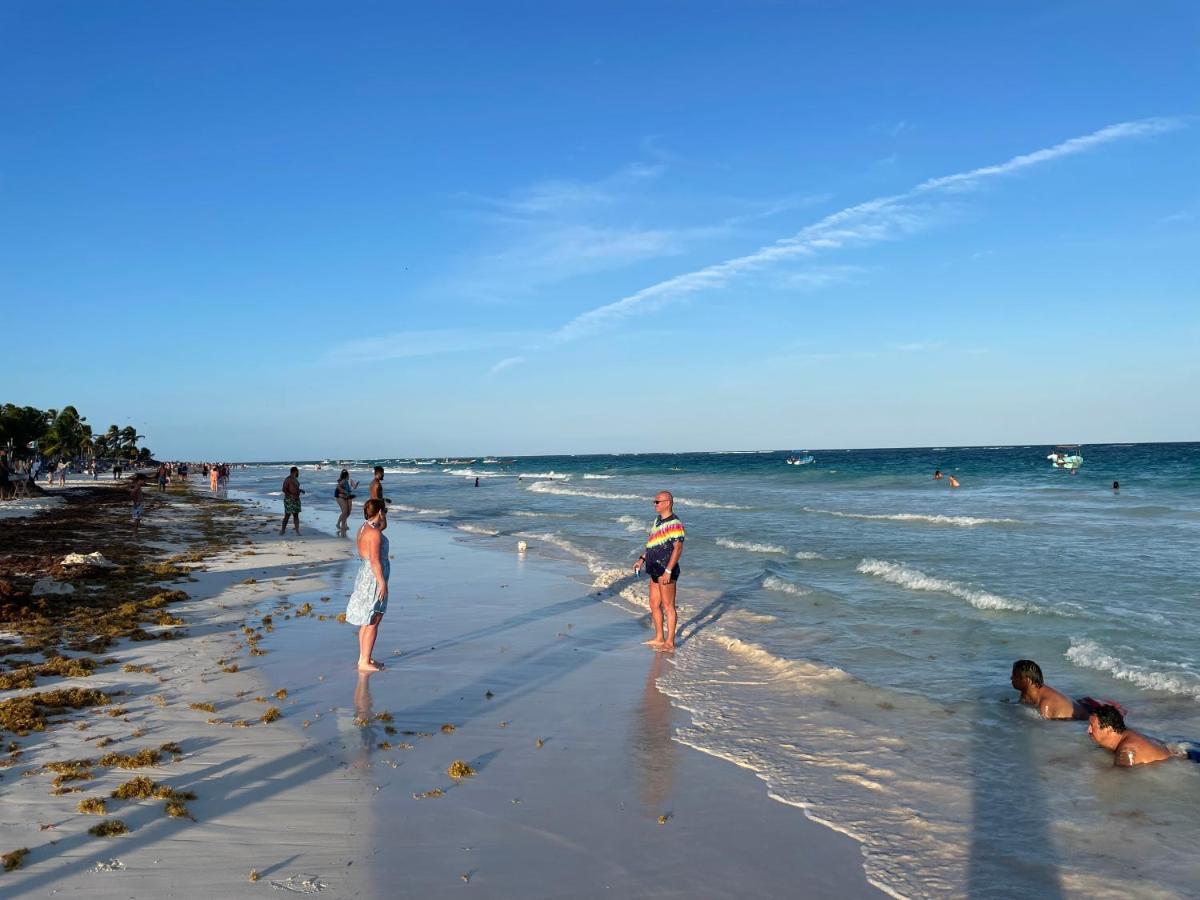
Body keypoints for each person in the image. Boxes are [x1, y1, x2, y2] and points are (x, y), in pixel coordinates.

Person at [632, 491, 685, 651]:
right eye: (654, 502)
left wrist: (668, 570)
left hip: (666, 569)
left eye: (657, 502)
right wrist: (641, 559)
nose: (654, 504)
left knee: (668, 606)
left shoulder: (675, 523)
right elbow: (652, 544)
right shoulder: (657, 521)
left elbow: (678, 548)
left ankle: (670, 643)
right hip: (654, 567)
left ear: (667, 503)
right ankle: (659, 637)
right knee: (654, 604)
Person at [345, 498, 390, 671]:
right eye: (384, 511)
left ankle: (364, 658)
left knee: (367, 618)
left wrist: (382, 515)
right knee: (374, 618)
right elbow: (375, 561)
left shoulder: (365, 528)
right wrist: (382, 583)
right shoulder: (374, 534)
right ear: (379, 512)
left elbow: (382, 527)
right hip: (373, 577)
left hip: (365, 575)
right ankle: (364, 661)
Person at [1010, 659, 1122, 720]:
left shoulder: (1046, 705)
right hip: (1082, 704)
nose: (1011, 678)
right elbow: (1021, 704)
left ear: (1028, 680)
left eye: (1014, 676)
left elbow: (1048, 731)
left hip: (1089, 714)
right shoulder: (1026, 693)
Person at [1087, 704, 1171, 767]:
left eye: (1092, 726)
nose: (1088, 730)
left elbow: (1124, 780)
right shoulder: (1125, 733)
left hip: (1171, 762)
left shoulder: (1126, 751)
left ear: (1109, 729)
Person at [281, 466, 305, 534]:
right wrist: (290, 495)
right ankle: (283, 530)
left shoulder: (295, 479)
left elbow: (295, 488)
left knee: (296, 515)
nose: (298, 473)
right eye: (297, 472)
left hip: (296, 499)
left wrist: (300, 490)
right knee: (287, 515)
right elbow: (284, 489)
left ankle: (297, 531)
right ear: (295, 472)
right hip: (289, 499)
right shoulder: (288, 479)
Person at [335, 469, 359, 533]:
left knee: (348, 512)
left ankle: (344, 524)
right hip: (342, 497)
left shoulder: (349, 480)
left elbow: (353, 487)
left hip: (348, 496)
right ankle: (341, 524)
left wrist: (356, 485)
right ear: (346, 476)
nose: (349, 476)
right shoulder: (342, 481)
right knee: (345, 511)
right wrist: (344, 491)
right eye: (348, 475)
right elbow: (338, 487)